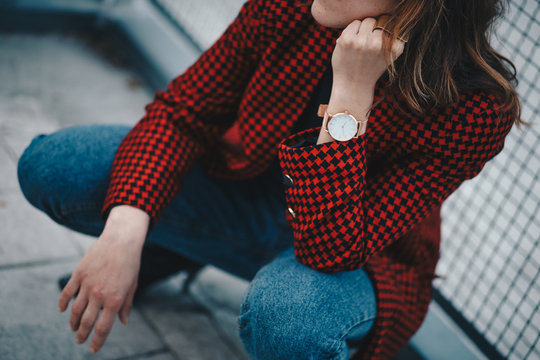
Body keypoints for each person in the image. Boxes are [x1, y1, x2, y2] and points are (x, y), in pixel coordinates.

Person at [17, 0, 522, 358]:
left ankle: (187, 248)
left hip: (359, 256)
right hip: (247, 191)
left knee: (288, 322)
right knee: (55, 165)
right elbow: (183, 111)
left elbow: (332, 250)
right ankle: (170, 247)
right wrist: (125, 229)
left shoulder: (473, 107)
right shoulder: (288, 6)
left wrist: (349, 96)